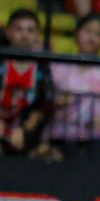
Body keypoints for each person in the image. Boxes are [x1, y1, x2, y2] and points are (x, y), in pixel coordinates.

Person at [45, 16, 100, 165]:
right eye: (88, 31)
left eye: (98, 34)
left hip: (95, 138)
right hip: (60, 136)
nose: (92, 38)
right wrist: (56, 103)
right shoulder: (59, 65)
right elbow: (43, 102)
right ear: (77, 34)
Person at [2, 11, 53, 158]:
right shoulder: (1, 63)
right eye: (19, 29)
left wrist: (24, 130)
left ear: (37, 36)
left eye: (30, 30)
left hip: (27, 134)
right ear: (8, 32)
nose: (24, 35)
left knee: (50, 157)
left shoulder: (43, 67)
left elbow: (46, 103)